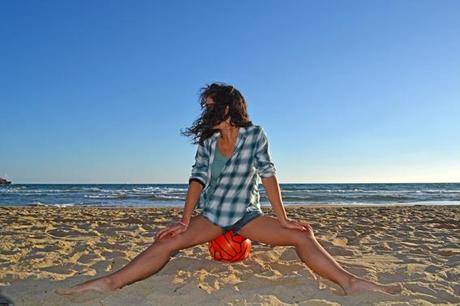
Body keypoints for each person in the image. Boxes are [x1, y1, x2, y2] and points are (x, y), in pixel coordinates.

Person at [57, 82, 402, 296]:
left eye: (210, 104)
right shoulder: (208, 141)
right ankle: (111, 283)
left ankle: (350, 282)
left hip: (246, 216)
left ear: (228, 107)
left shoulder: (255, 135)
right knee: (166, 242)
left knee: (302, 237)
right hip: (211, 215)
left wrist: (283, 219)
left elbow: (268, 175)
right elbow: (197, 179)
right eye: (204, 105)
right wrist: (183, 220)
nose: (205, 110)